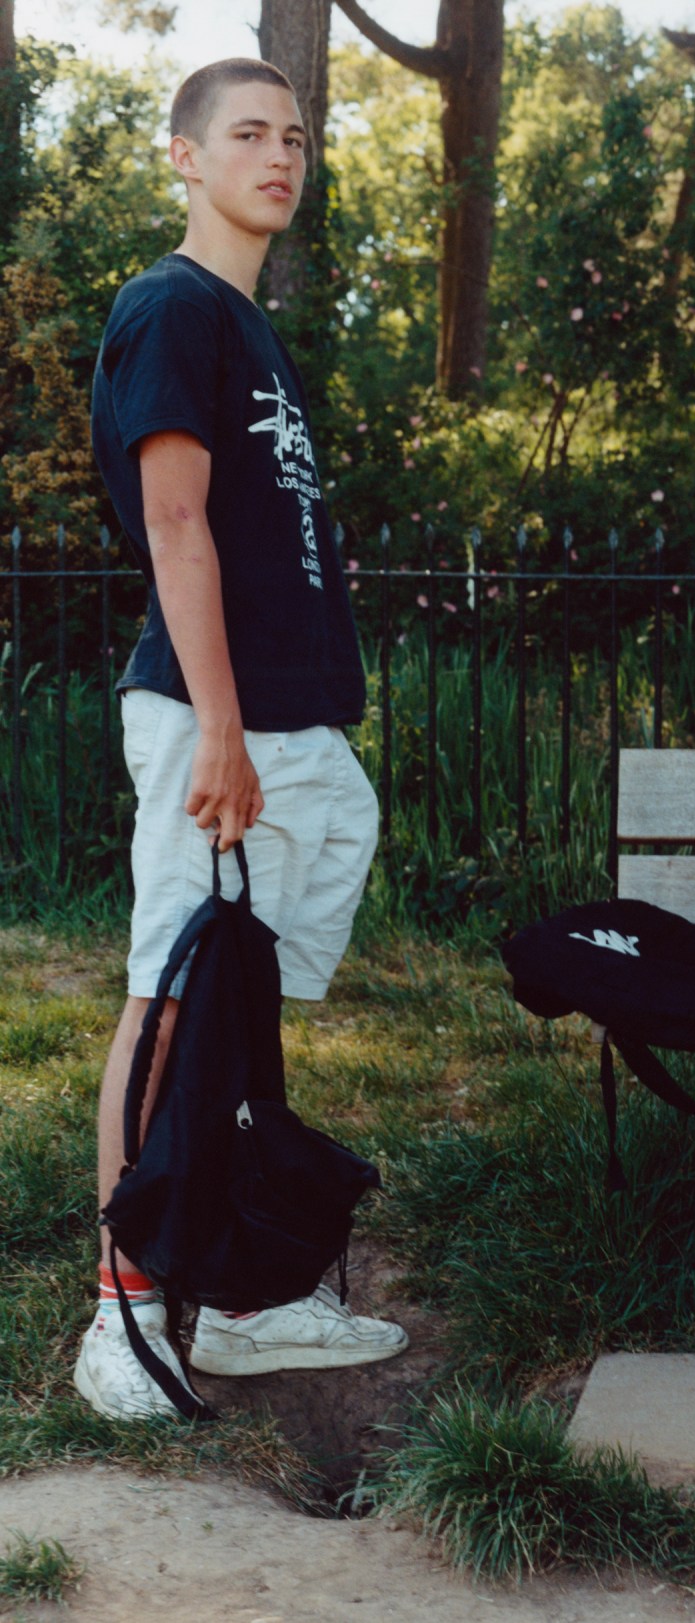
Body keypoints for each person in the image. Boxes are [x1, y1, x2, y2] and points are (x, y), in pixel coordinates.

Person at [79, 58, 405, 1420]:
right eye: (249, 134)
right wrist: (220, 725)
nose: (280, 155)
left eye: (297, 135)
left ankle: (254, 1299)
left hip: (288, 717)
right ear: (186, 159)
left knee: (240, 999)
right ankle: (127, 1305)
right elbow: (174, 524)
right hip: (221, 719)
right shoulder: (171, 306)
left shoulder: (250, 326)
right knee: (172, 991)